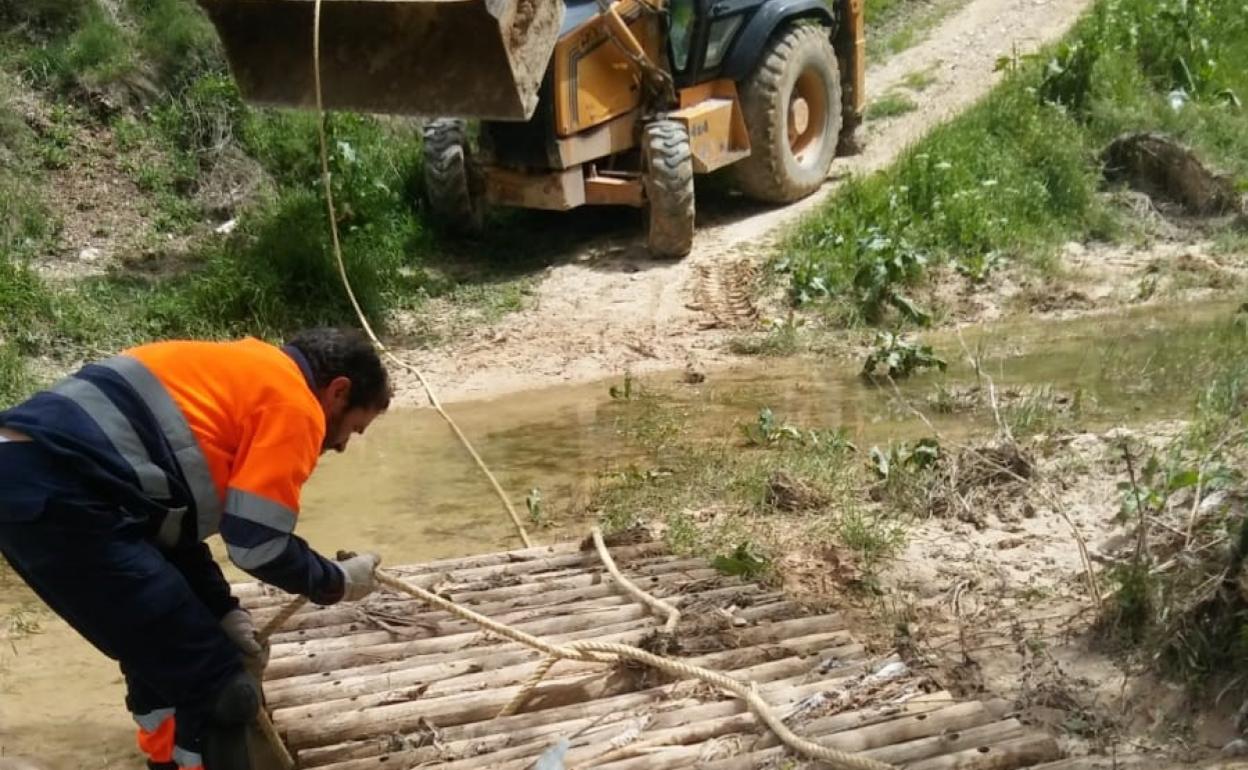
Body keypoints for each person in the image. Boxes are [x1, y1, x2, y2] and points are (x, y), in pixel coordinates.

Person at [0, 328, 391, 770]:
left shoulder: (236, 373)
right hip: (68, 498)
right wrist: (337, 582)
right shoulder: (294, 403)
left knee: (163, 662)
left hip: (28, 479)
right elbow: (258, 546)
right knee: (225, 692)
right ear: (338, 391)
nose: (339, 445)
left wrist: (221, 609)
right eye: (352, 429)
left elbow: (165, 528)